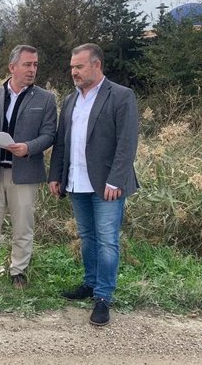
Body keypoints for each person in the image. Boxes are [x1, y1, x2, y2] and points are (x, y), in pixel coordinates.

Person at [48, 43, 139, 326]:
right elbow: (63, 141)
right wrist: (56, 175)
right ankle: (90, 284)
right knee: (87, 237)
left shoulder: (121, 96)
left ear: (96, 65)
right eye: (72, 67)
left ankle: (103, 297)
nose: (73, 72)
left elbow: (127, 142)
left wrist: (117, 179)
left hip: (107, 184)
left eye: (79, 66)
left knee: (107, 240)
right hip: (76, 182)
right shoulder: (70, 99)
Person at [0, 45, 57, 289]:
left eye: (35, 65)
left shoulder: (46, 98)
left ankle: (18, 270)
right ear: (12, 67)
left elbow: (50, 134)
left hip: (25, 172)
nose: (32, 70)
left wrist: (28, 147)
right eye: (27, 64)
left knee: (23, 226)